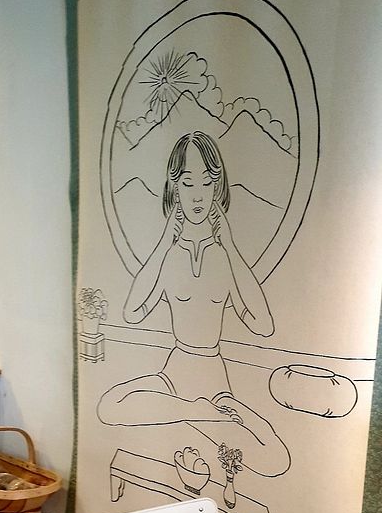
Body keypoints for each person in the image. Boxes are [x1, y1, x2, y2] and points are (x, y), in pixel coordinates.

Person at [98, 130, 289, 477]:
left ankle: (198, 414)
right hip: (173, 374)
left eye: (207, 183)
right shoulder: (168, 255)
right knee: (109, 406)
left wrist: (230, 246)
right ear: (175, 189)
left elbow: (263, 325)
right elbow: (133, 311)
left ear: (218, 187)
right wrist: (163, 243)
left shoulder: (225, 257)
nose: (198, 195)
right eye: (188, 183)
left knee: (275, 458)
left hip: (215, 380)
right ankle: (192, 413)